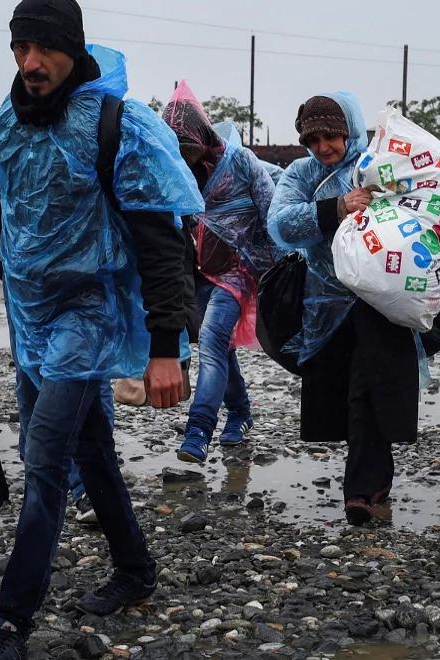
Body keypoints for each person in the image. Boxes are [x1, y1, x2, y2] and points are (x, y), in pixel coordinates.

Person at [0, 2, 204, 657]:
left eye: (45, 48)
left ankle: (10, 621)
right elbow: (13, 221)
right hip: (31, 324)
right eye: (21, 49)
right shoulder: (9, 124)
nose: (31, 63)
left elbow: (161, 244)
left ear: (73, 48)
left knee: (43, 464)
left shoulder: (119, 126)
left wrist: (164, 350)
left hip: (87, 320)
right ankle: (135, 569)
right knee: (89, 447)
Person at [268, 93, 440, 525]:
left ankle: (359, 490)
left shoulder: (378, 166)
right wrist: (336, 207)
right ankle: (374, 479)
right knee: (343, 394)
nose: (322, 147)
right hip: (326, 306)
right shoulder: (301, 174)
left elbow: (427, 214)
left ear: (349, 130)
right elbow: (279, 224)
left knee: (368, 391)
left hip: (382, 301)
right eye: (312, 139)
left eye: (330, 135)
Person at [161, 83, 278, 462]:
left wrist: (276, 272)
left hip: (238, 270)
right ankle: (241, 413)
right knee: (219, 348)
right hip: (197, 272)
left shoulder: (239, 162)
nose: (184, 156)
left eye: (187, 148)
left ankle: (197, 431)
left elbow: (272, 214)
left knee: (211, 340)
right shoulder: (174, 173)